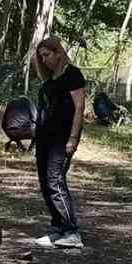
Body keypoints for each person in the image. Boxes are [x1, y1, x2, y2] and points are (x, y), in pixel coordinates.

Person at [32, 35, 86, 248]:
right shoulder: (50, 79)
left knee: (55, 181)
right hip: (45, 137)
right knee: (45, 183)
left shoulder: (73, 75)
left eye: (47, 55)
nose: (44, 59)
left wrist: (73, 138)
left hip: (62, 138)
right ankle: (57, 229)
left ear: (58, 53)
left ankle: (71, 231)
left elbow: (80, 107)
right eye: (41, 56)